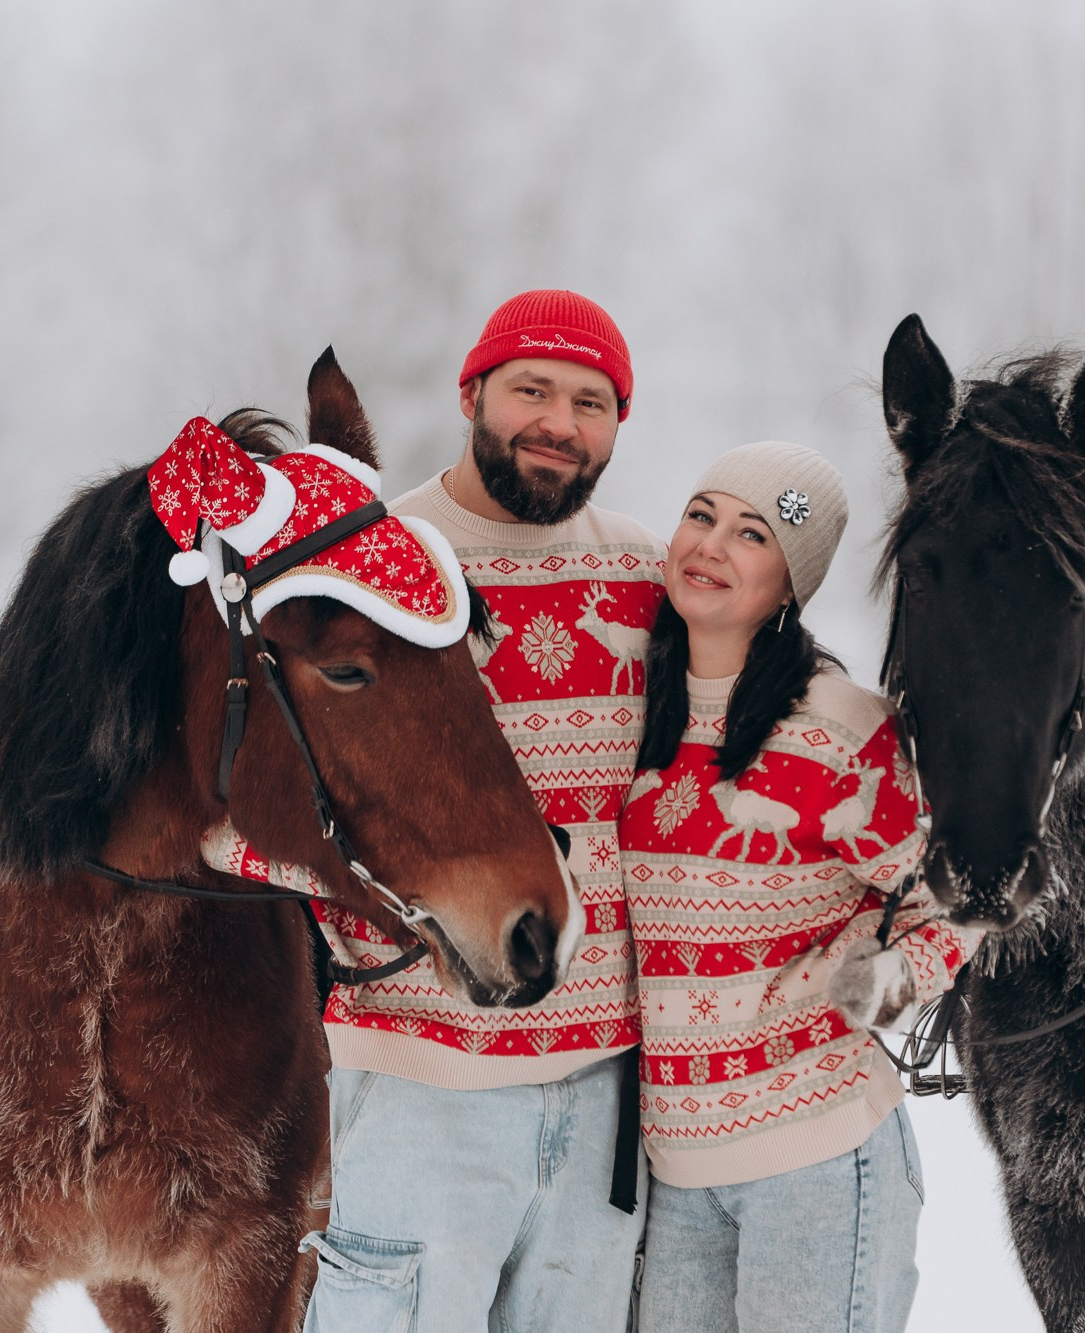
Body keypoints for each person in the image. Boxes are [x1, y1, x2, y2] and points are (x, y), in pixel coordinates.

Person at [301, 290, 663, 1333]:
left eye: (589, 401)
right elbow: (262, 802)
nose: (559, 420)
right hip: (421, 1084)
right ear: (472, 393)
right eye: (531, 389)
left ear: (615, 426)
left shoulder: (646, 579)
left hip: (603, 1093)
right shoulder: (380, 563)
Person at [618, 442, 982, 1333]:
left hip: (815, 1153)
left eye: (753, 534)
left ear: (789, 586)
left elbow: (960, 896)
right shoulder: (636, 708)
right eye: (700, 515)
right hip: (676, 1166)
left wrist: (883, 984)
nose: (711, 544)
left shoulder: (839, 728)